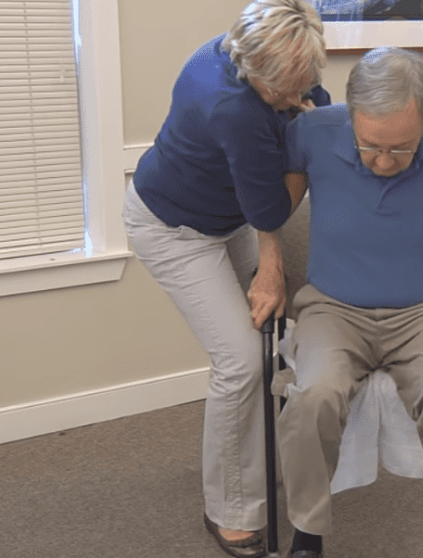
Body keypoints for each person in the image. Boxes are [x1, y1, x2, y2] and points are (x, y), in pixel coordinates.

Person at [277, 47, 423, 558]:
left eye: (401, 149)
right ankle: (308, 532)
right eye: (370, 147)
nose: (384, 162)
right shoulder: (314, 132)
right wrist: (271, 266)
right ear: (350, 117)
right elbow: (272, 203)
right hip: (332, 309)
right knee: (313, 396)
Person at [121, 1, 328, 556]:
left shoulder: (256, 56)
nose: (292, 97)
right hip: (174, 227)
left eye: (299, 80)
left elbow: (314, 106)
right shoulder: (229, 105)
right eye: (279, 90)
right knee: (241, 359)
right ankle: (231, 511)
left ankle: (281, 456)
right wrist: (270, 270)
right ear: (248, 65)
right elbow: (272, 211)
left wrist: (300, 116)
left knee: (288, 325)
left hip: (230, 210)